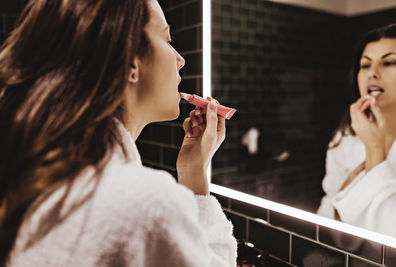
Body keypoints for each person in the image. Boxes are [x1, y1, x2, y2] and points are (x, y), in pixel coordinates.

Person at [0, 0, 237, 266]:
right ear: (129, 63)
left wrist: (192, 168)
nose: (180, 60)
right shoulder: (145, 204)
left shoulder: (38, 175)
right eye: (167, 40)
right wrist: (195, 178)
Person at [317, 23, 396, 236]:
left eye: (389, 62)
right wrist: (338, 204)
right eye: (365, 65)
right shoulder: (346, 136)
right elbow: (326, 213)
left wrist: (374, 151)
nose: (372, 73)